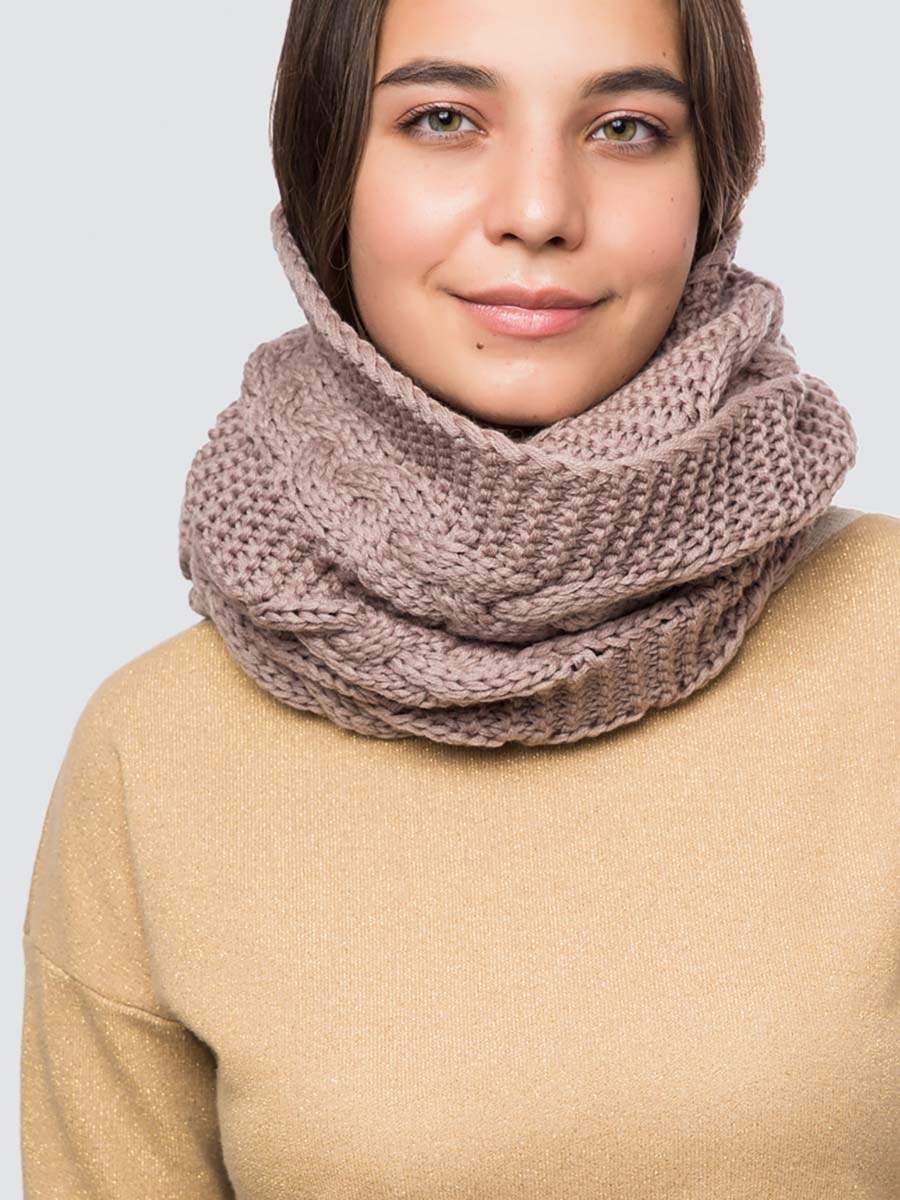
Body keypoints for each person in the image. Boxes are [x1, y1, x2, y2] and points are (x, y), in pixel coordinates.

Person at [20, 0, 899, 1195]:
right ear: (327, 167)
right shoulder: (155, 755)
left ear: (714, 184)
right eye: (443, 119)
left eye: (626, 128)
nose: (538, 210)